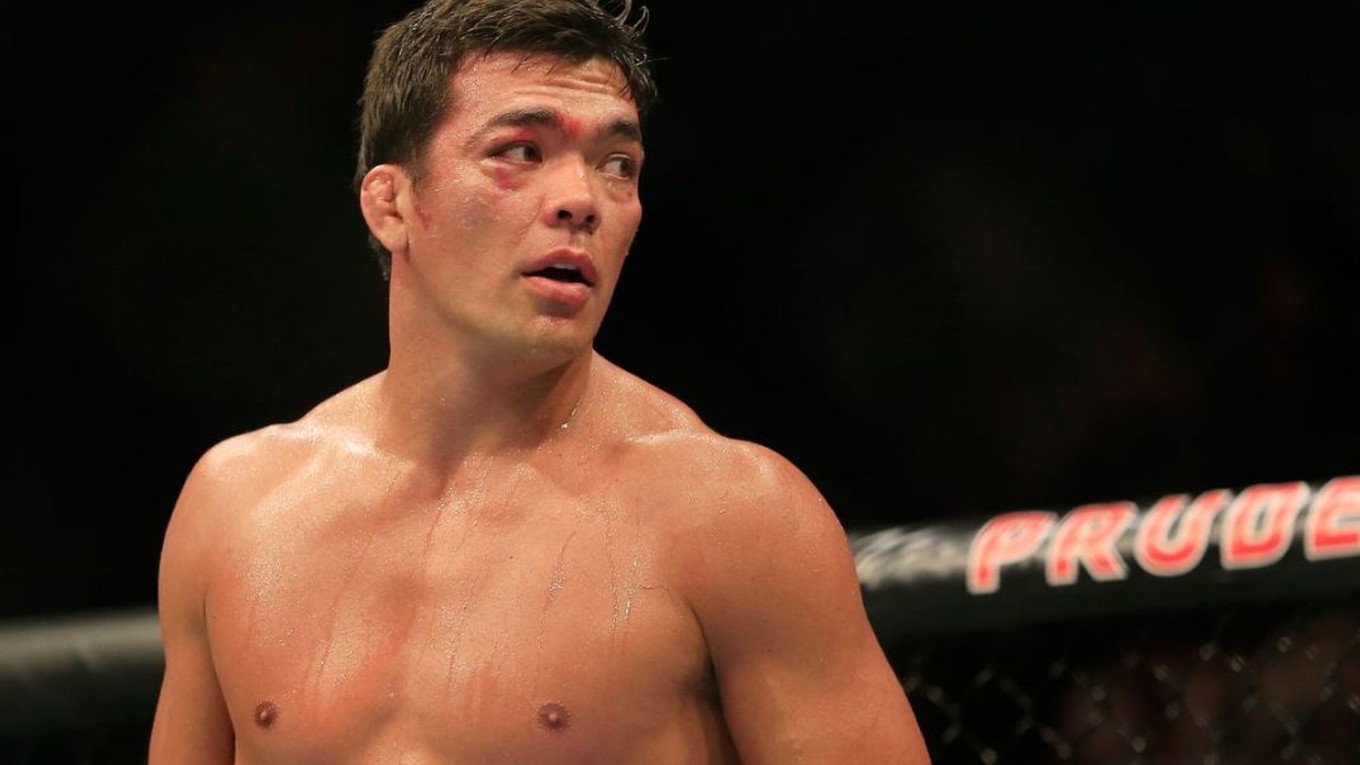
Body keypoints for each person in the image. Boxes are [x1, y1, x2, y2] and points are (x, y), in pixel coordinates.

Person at [148, 0, 932, 762]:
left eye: (617, 165)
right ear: (392, 203)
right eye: (521, 152)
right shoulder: (237, 507)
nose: (581, 201)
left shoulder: (732, 516)